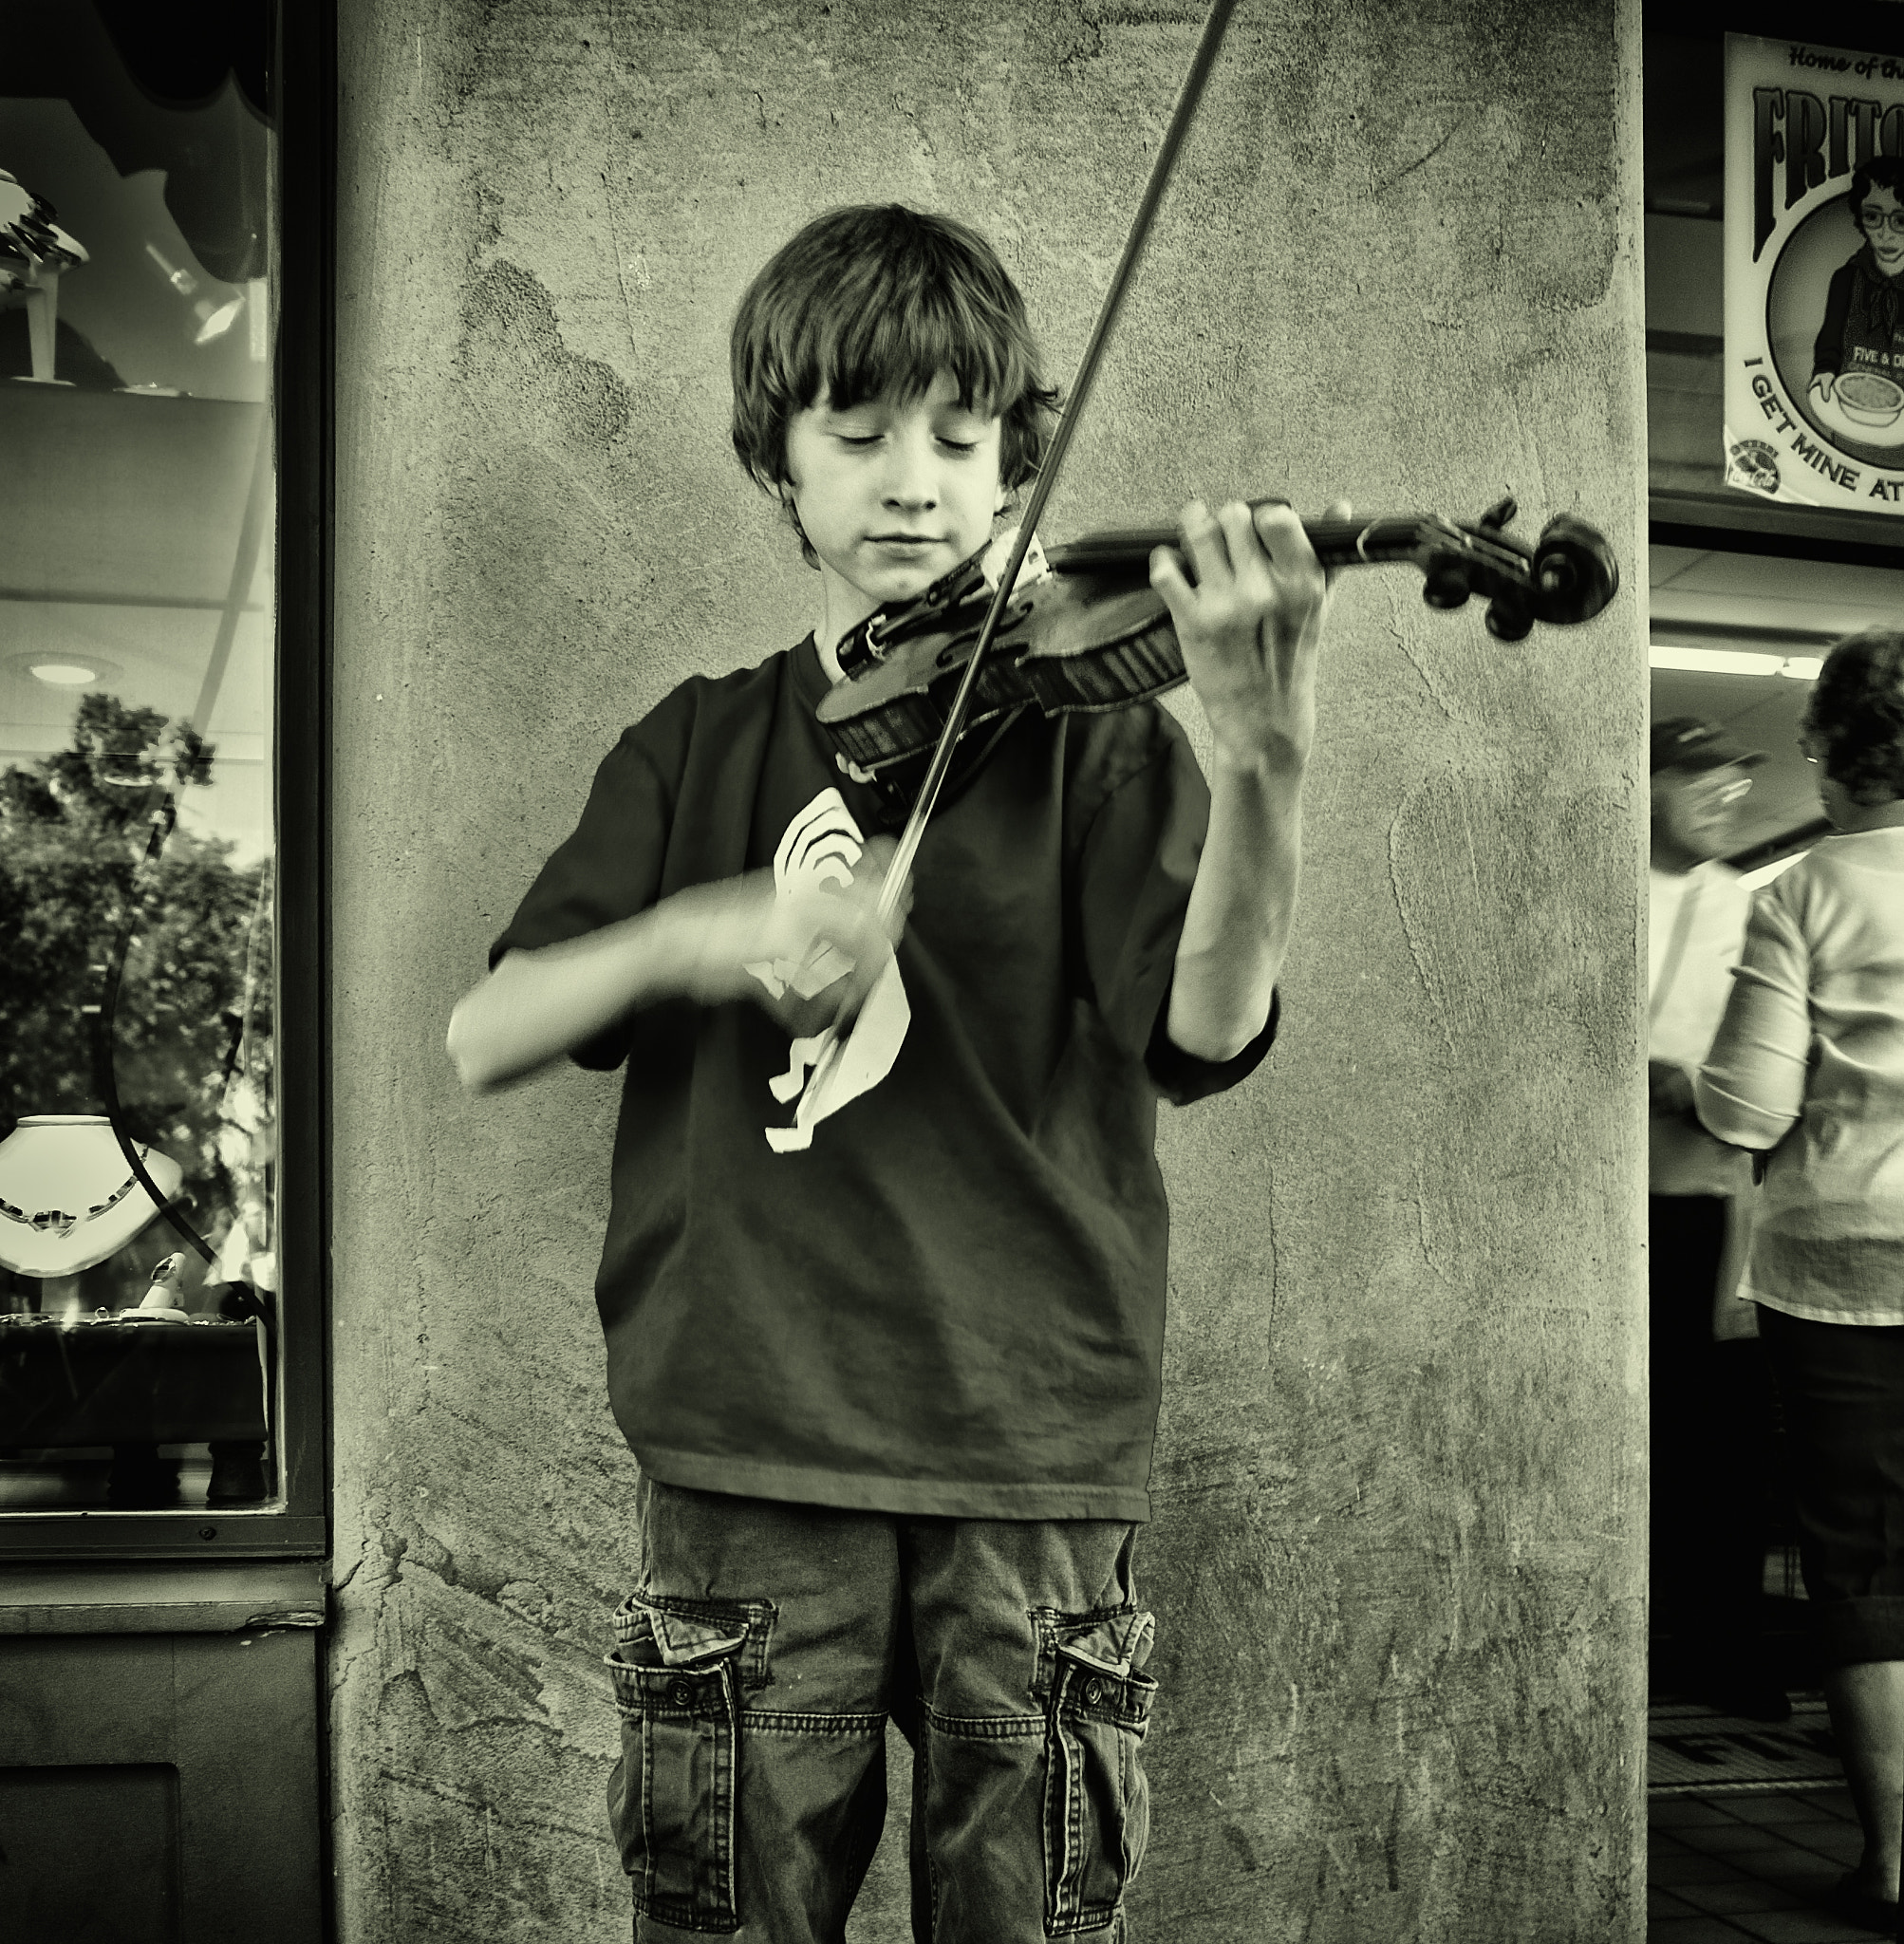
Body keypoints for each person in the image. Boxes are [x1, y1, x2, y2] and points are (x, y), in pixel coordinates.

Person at [446, 204, 1339, 1942]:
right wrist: (712, 934)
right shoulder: (698, 739)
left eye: (959, 435)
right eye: (856, 436)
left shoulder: (1095, 736)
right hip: (752, 1447)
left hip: (1034, 1450)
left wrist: (1266, 763)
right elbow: (493, 1029)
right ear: (776, 462)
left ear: (1018, 458)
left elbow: (1206, 1033)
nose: (912, 482)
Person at [1696, 629, 1904, 1935]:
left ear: (1827, 750)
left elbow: (1741, 1104)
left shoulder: (1799, 894)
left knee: (1862, 1558)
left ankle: (1893, 1861)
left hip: (1834, 1269)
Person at [1647, 717, 1789, 1721]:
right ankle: (1642, 1637)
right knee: (1637, 1431)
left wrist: (1693, 1083)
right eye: (1698, 775)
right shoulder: (1585, 887)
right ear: (1642, 781)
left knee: (1717, 1433)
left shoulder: (1743, 912)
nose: (1724, 794)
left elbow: (1776, 1068)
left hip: (1707, 1202)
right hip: (1593, 1213)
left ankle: (1722, 1645)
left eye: (1733, 780)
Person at [1809, 158, 1904, 409]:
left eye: (1900, 221)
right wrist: (1825, 372)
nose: (1886, 233)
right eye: (1873, 216)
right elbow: (1830, 342)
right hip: (1847, 408)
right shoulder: (1846, 279)